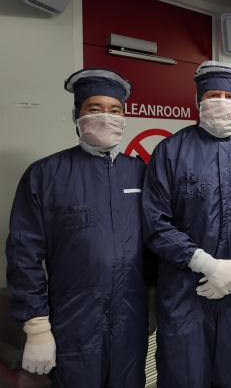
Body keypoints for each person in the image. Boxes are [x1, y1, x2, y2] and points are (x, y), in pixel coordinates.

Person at [5, 68, 156, 387]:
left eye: (115, 110)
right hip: (74, 321)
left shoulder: (140, 174)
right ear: (77, 114)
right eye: (94, 108)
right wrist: (36, 327)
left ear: (124, 118)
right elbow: (24, 254)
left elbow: (160, 240)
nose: (106, 117)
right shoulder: (46, 175)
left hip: (131, 316)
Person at [142, 61, 231, 388]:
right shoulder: (170, 151)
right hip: (184, 292)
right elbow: (155, 221)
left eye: (230, 95)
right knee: (183, 376)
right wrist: (205, 263)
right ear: (199, 99)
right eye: (213, 94)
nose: (221, 101)